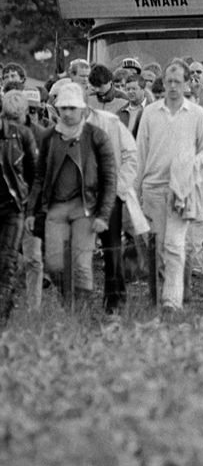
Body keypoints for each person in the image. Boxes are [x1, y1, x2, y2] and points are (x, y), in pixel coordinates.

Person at [135, 62, 203, 312]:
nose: (172, 87)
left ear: (187, 83)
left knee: (175, 244)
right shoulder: (150, 113)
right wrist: (135, 191)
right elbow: (140, 153)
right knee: (158, 245)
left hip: (184, 189)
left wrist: (195, 163)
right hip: (154, 187)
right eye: (168, 82)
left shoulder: (197, 114)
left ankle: (173, 300)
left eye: (177, 82)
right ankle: (161, 294)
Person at [30, 83, 117, 307]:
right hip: (55, 206)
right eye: (63, 108)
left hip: (85, 206)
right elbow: (40, 176)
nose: (67, 113)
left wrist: (103, 215)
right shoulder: (49, 137)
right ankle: (68, 301)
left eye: (72, 108)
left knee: (81, 264)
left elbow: (109, 178)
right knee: (54, 264)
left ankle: (80, 312)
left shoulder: (97, 137)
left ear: (82, 110)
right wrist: (32, 209)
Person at [83, 94, 139, 314]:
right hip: (81, 196)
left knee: (112, 247)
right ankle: (78, 301)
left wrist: (118, 188)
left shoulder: (110, 122)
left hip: (109, 193)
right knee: (79, 249)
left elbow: (131, 154)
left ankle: (115, 298)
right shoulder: (64, 129)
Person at [0, 90, 38, 324]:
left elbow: (34, 174)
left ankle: (3, 317)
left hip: (13, 206)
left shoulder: (22, 135)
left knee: (7, 260)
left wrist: (30, 206)